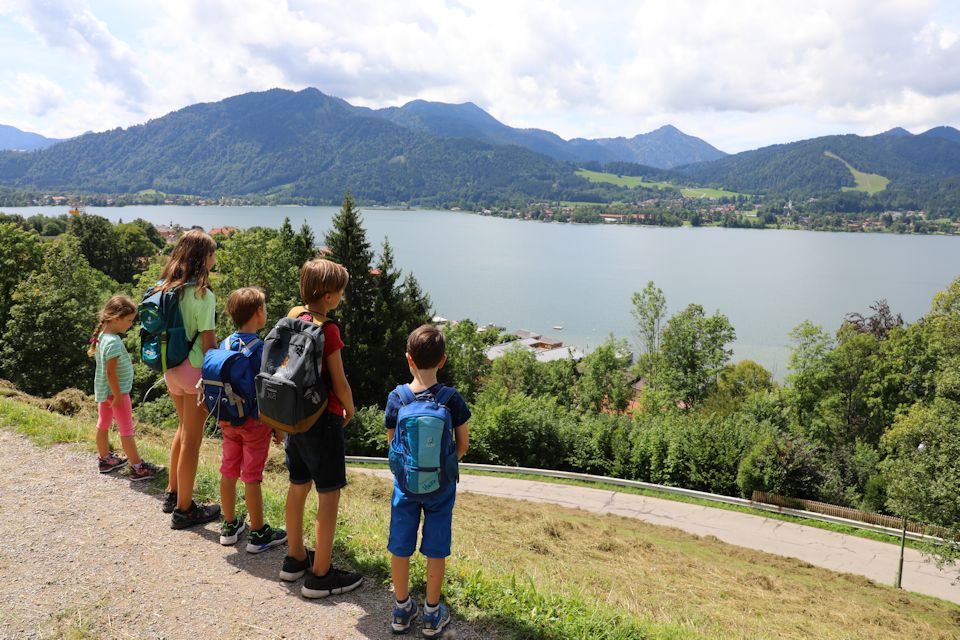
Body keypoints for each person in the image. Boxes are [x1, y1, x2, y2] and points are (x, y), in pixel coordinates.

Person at [279, 258, 363, 599]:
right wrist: (350, 406)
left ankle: (294, 558)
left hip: (292, 418)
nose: (341, 296)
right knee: (329, 494)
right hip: (321, 420)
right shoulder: (328, 330)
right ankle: (320, 575)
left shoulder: (293, 315)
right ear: (329, 296)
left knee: (298, 485)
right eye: (340, 291)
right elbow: (339, 381)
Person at [385, 325, 470, 637]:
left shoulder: (397, 398)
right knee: (436, 547)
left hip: (405, 486)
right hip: (441, 486)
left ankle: (401, 608)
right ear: (443, 360)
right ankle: (432, 614)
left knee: (400, 544)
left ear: (408, 359)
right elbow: (463, 445)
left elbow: (393, 444)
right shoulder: (452, 399)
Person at [156, 229, 222, 529]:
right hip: (195, 372)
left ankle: (172, 493)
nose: (215, 258)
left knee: (182, 429)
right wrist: (218, 373)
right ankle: (184, 509)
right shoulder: (202, 295)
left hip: (170, 368)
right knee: (192, 440)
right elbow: (209, 343)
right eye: (212, 253)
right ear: (202, 258)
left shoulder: (164, 288)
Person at [217, 287, 287, 553]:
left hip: (227, 420)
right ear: (259, 313)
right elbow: (270, 392)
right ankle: (258, 533)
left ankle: (230, 525)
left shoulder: (223, 344)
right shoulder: (261, 350)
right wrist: (278, 428)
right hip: (254, 424)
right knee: (252, 476)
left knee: (228, 469)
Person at [89, 295, 163, 480]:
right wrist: (118, 396)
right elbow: (111, 373)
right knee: (126, 430)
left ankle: (105, 459)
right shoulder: (113, 342)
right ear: (116, 318)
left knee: (103, 424)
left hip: (104, 392)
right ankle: (138, 468)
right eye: (129, 320)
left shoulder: (103, 337)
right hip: (117, 393)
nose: (130, 325)